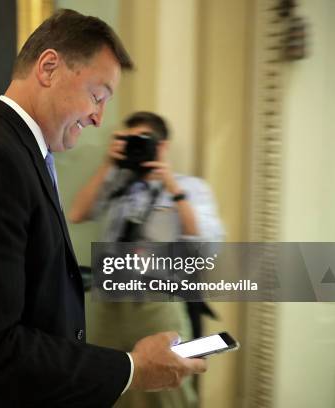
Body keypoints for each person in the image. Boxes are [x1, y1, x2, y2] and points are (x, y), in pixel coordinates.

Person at [0, 10, 207, 407]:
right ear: (48, 68)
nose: (98, 118)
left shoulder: (17, 153)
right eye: (97, 96)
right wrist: (132, 368)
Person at [69, 111, 224, 408]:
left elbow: (206, 245)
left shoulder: (190, 188)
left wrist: (171, 188)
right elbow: (77, 213)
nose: (135, 147)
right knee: (110, 389)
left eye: (142, 141)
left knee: (168, 390)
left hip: (158, 300)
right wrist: (108, 165)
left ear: (162, 145)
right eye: (128, 141)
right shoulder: (118, 186)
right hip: (109, 302)